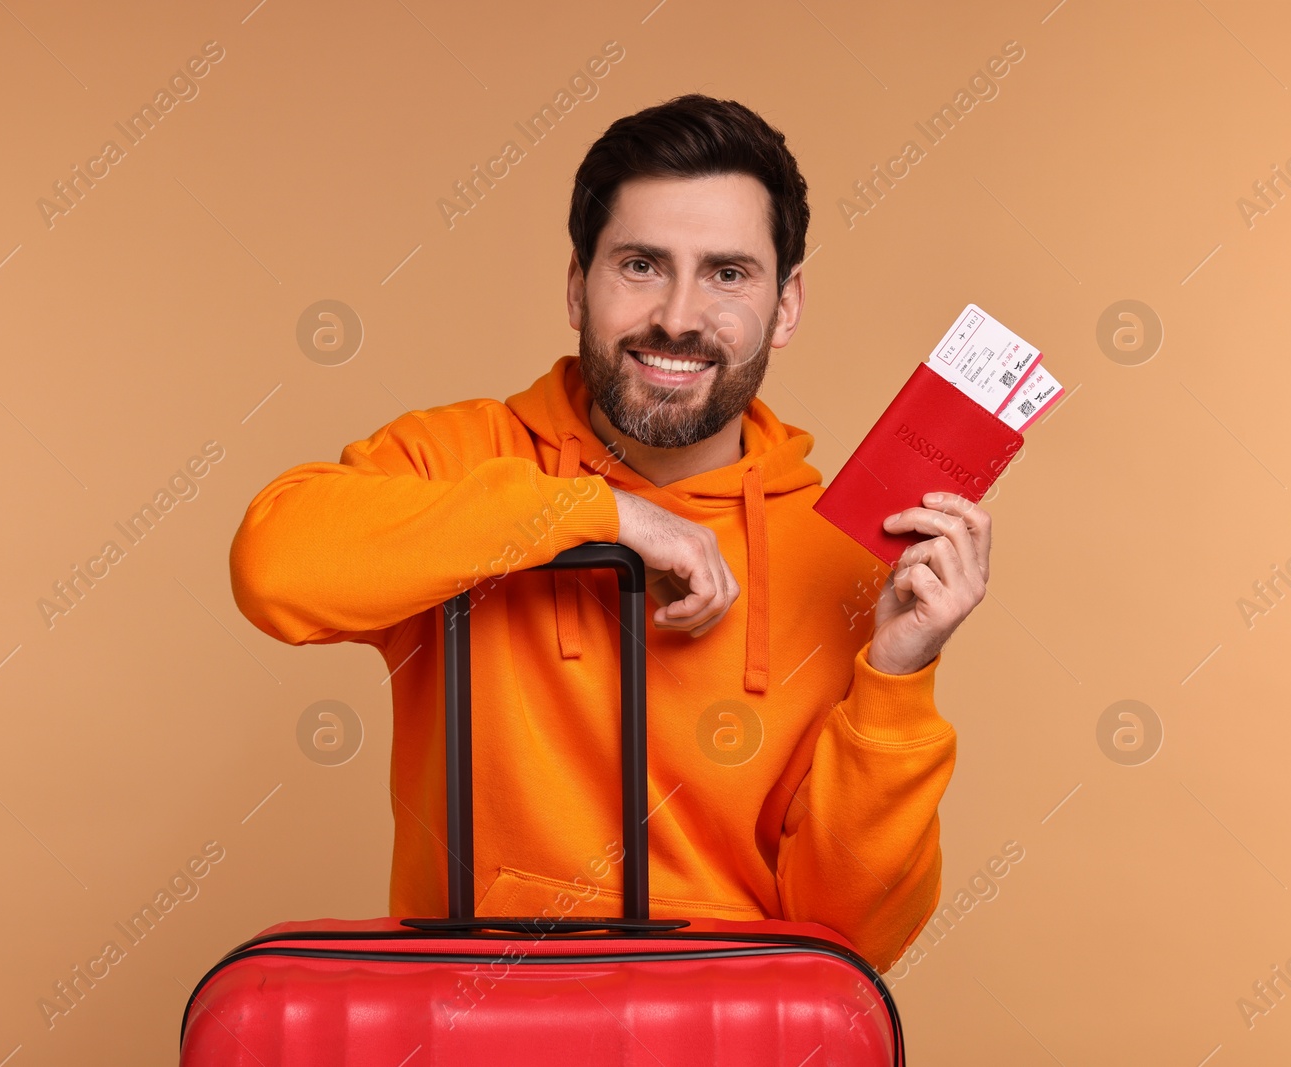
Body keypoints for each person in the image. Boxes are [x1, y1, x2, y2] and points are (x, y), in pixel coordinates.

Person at [229, 94, 990, 973]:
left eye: (728, 274)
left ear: (785, 308)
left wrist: (897, 679)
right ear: (574, 285)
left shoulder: (839, 555)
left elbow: (851, 939)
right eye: (639, 264)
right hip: (478, 1025)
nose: (677, 314)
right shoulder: (463, 460)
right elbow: (274, 564)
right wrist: (597, 515)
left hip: (718, 1032)